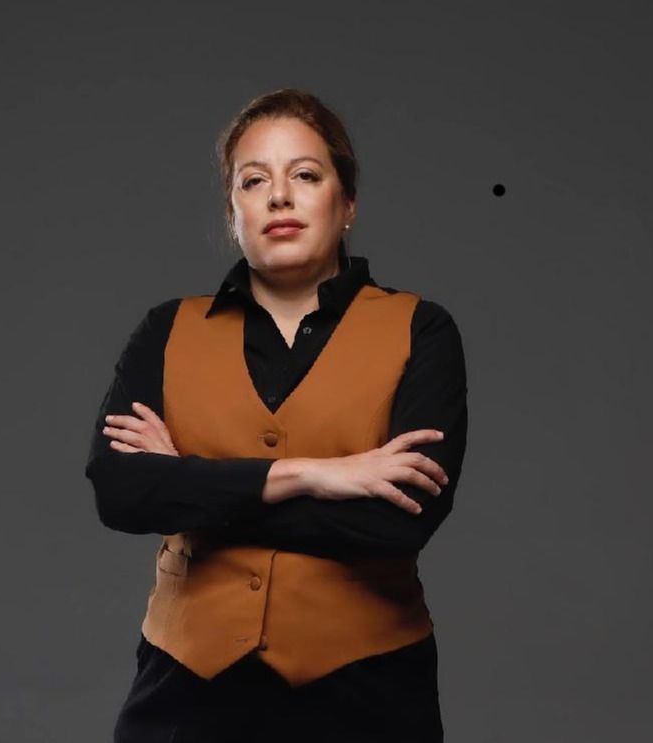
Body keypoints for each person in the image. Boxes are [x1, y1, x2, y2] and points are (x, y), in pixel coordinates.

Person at [84, 88, 468, 743]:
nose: (279, 196)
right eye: (253, 180)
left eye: (306, 175)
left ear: (347, 204)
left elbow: (398, 519)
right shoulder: (166, 330)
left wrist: (189, 484)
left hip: (368, 693)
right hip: (183, 691)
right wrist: (310, 474)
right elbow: (121, 493)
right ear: (233, 211)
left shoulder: (420, 329)